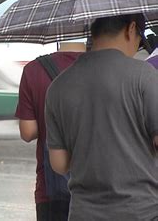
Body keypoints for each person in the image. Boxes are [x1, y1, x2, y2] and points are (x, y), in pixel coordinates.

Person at [45, 14, 158, 220]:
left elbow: (59, 163)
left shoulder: (58, 87)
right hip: (141, 212)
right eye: (139, 40)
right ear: (130, 29)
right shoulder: (145, 75)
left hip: (84, 213)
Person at [16, 40, 85, 221]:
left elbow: (28, 132)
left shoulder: (34, 69)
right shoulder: (103, 68)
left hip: (52, 189)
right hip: (98, 190)